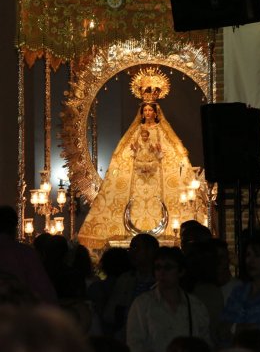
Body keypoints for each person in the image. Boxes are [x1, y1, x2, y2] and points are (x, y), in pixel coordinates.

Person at [78, 67, 207, 250]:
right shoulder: (135, 133)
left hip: (157, 179)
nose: (147, 113)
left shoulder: (163, 132)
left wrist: (160, 153)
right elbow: (123, 157)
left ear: (156, 112)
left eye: (150, 110)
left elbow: (173, 155)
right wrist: (133, 153)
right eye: (145, 110)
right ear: (142, 112)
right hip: (138, 179)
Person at [126, 246, 211, 352]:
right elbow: (134, 343)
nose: (162, 273)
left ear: (181, 271)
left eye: (168, 267)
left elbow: (204, 342)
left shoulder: (195, 305)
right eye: (158, 268)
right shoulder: (142, 304)